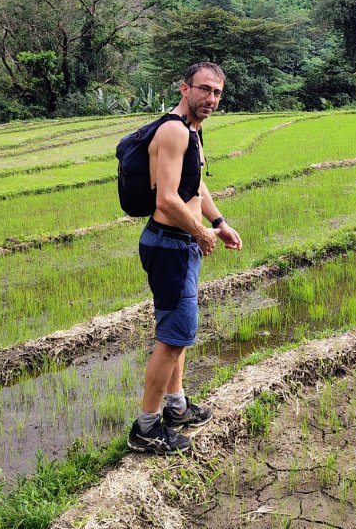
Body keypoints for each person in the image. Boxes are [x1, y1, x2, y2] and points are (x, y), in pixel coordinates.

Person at [127, 62, 243, 454]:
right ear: (184, 88)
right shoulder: (175, 130)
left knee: (176, 334)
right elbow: (167, 199)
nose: (211, 99)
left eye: (217, 93)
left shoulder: (193, 130)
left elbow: (194, 185)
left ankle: (176, 408)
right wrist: (200, 232)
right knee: (173, 340)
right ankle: (145, 427)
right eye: (204, 90)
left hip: (179, 243)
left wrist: (218, 221)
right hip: (171, 245)